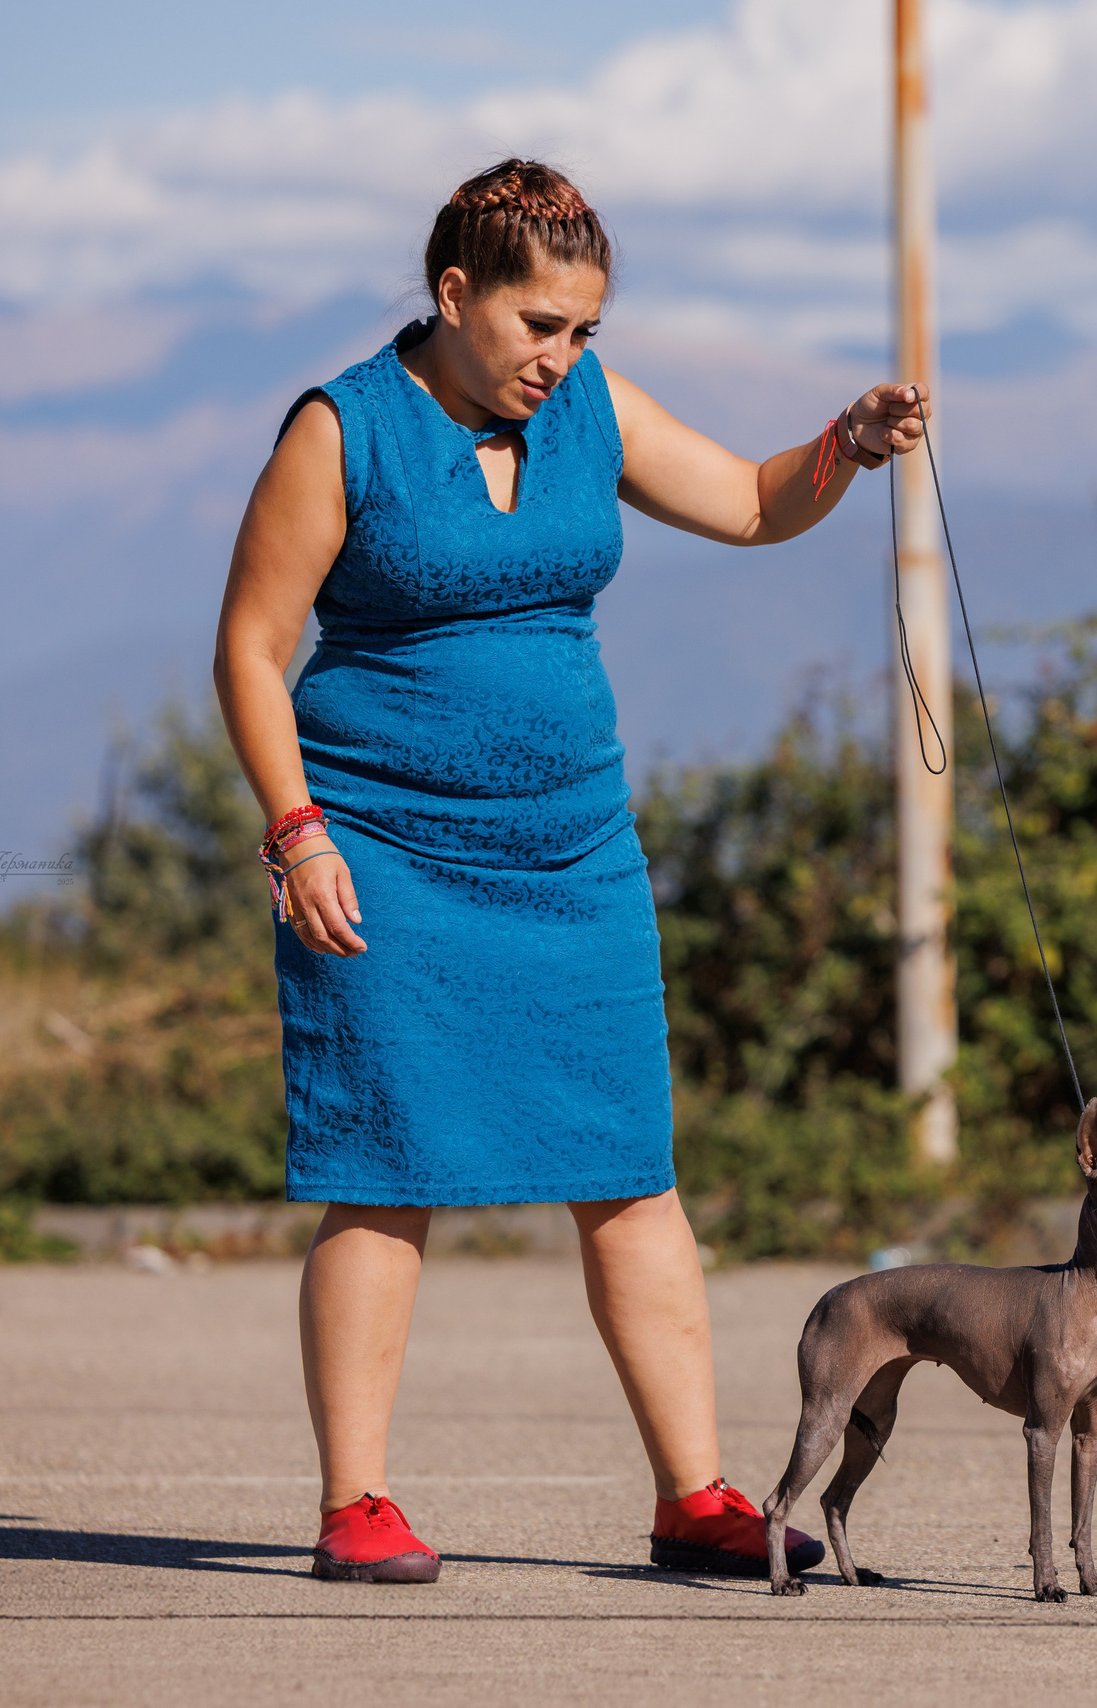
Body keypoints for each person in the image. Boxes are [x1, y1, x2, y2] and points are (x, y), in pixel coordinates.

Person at [212, 158, 925, 1584]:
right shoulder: (340, 429)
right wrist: (296, 832)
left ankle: (697, 1498)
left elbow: (751, 503)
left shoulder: (593, 407)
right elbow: (250, 646)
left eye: (585, 328)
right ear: (454, 292)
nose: (563, 354)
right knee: (384, 1172)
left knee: (629, 1173)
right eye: (540, 324)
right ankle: (357, 1505)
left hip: (574, 854)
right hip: (382, 855)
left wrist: (844, 444)